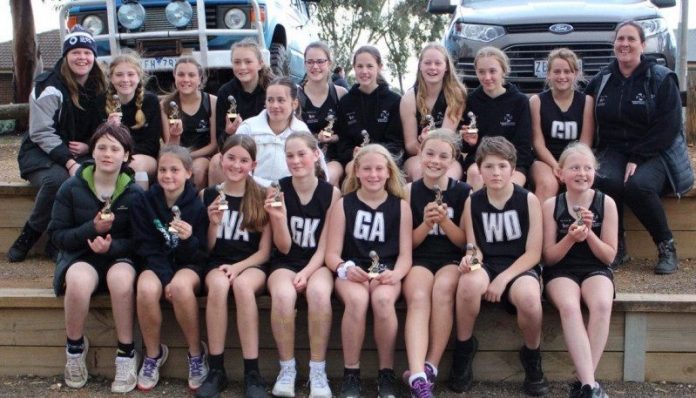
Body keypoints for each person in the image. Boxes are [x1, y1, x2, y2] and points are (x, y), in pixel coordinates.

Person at [585, 20, 689, 274]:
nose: (625, 44)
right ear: (614, 45)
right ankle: (616, 246)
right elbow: (581, 107)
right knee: (606, 180)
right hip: (614, 149)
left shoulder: (662, 78)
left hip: (656, 149)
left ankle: (666, 246)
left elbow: (669, 126)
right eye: (620, 39)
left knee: (638, 186)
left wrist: (639, 156)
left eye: (631, 39)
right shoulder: (602, 79)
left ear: (643, 45)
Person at [450, 136, 548, 396]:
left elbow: (534, 253)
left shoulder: (528, 200)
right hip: (488, 263)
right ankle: (464, 348)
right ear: (479, 169)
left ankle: (532, 355)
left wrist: (503, 279)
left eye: (502, 166)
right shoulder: (474, 201)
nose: (496, 172)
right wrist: (470, 260)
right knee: (468, 283)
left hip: (520, 266)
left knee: (529, 298)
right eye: (489, 166)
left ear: (513, 169)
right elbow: (474, 247)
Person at [47, 123, 142, 393]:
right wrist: (92, 230)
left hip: (119, 258)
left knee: (122, 280)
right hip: (80, 256)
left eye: (115, 148)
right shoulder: (71, 188)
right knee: (77, 281)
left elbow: (140, 241)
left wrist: (110, 248)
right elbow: (56, 235)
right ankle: (74, 349)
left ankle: (126, 353)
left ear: (125, 155)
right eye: (102, 147)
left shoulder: (135, 194)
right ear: (93, 152)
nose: (107, 154)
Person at [9, 25, 107, 263]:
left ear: (94, 56)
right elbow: (41, 133)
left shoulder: (99, 86)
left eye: (87, 52)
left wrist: (88, 146)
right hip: (40, 153)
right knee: (59, 180)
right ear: (66, 56)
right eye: (76, 52)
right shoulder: (49, 85)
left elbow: (102, 125)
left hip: (77, 151)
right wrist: (70, 162)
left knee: (97, 175)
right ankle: (29, 235)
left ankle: (61, 240)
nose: (82, 57)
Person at [325, 144, 413, 398]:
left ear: (388, 173)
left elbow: (406, 256)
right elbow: (332, 254)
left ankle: (386, 373)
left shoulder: (400, 207)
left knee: (384, 300)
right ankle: (351, 373)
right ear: (357, 173)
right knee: (357, 300)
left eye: (379, 169)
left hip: (387, 271)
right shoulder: (344, 205)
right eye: (367, 169)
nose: (373, 174)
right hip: (353, 270)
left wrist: (396, 274)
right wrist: (344, 268)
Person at [264, 132, 341, 398]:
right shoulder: (278, 189)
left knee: (319, 294)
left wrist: (307, 273)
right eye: (289, 155)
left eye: (301, 154)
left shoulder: (332, 193)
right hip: (285, 261)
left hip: (318, 262)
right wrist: (280, 217)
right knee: (284, 296)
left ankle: (317, 370)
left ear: (316, 155)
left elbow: (326, 246)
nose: (295, 160)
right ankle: (287, 369)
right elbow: (283, 247)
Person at [196, 135, 272, 398]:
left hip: (251, 264)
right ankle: (217, 370)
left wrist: (239, 267)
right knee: (217, 286)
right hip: (217, 263)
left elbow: (264, 251)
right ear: (221, 158)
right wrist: (214, 224)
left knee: (241, 287)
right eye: (231, 158)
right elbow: (205, 249)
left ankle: (252, 372)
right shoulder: (207, 194)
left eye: (243, 160)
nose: (236, 165)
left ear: (253, 164)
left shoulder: (262, 195)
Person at [541, 142, 617, 398]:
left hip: (595, 267)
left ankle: (586, 383)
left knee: (603, 305)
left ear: (595, 172)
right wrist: (571, 239)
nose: (582, 173)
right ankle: (590, 387)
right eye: (574, 168)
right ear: (560, 173)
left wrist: (590, 235)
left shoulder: (606, 203)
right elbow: (548, 258)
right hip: (562, 270)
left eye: (587, 168)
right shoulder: (551, 205)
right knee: (570, 307)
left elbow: (608, 255)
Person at [131, 145, 209, 391]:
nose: (167, 175)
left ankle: (196, 354)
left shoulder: (197, 206)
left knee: (181, 287)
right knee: (145, 288)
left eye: (175, 170)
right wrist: (164, 279)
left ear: (188, 173)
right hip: (155, 264)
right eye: (163, 169)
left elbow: (200, 254)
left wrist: (188, 240)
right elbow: (145, 246)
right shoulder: (144, 202)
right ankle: (153, 355)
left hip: (188, 264)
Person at [403, 130, 471, 398]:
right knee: (419, 295)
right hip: (419, 258)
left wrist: (443, 222)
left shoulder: (465, 192)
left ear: (453, 160)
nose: (435, 160)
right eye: (429, 153)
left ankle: (430, 366)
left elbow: (464, 241)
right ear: (420, 155)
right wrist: (427, 224)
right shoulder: (408, 191)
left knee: (443, 291)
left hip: (451, 259)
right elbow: (406, 243)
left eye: (444, 156)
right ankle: (417, 373)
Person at [460, 47, 533, 191]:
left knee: (510, 186)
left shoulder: (520, 101)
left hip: (512, 162)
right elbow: (466, 147)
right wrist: (469, 141)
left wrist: (506, 166)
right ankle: (473, 213)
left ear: (503, 71)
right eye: (481, 72)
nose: (487, 77)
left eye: (492, 71)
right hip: (480, 160)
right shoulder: (471, 101)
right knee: (475, 174)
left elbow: (523, 145)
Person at [236, 77, 328, 187]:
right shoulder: (248, 128)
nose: (274, 105)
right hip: (251, 189)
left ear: (294, 104)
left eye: (281, 100)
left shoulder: (301, 131)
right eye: (270, 100)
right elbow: (236, 164)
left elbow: (318, 166)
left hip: (289, 192)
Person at [529, 48, 594, 204]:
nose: (562, 76)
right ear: (548, 74)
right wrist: (556, 166)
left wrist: (570, 167)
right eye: (556, 71)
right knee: (548, 184)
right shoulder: (536, 101)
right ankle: (538, 227)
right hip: (545, 160)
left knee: (580, 180)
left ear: (575, 74)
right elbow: (537, 143)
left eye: (567, 71)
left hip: (576, 158)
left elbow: (585, 143)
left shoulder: (586, 102)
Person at [209, 38, 273, 185]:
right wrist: (229, 133)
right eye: (237, 62)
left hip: (268, 146)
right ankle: (222, 204)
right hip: (238, 149)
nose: (242, 67)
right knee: (215, 162)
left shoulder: (273, 89)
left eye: (248, 62)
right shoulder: (225, 92)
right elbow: (221, 142)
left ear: (260, 63)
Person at [401, 43, 467, 181]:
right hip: (418, 155)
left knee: (447, 177)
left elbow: (446, 138)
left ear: (446, 67)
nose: (432, 67)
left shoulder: (456, 95)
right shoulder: (409, 98)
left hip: (447, 155)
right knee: (421, 173)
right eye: (427, 63)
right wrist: (425, 146)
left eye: (438, 63)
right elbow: (410, 145)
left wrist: (431, 142)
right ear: (420, 66)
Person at [334, 45, 404, 173]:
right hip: (356, 162)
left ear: (379, 67)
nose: (364, 71)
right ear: (354, 68)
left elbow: (396, 143)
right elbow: (343, 143)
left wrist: (372, 152)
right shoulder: (346, 102)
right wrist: (353, 152)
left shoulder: (394, 101)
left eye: (369, 66)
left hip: (386, 162)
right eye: (360, 66)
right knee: (353, 169)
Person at [105, 51, 162, 190]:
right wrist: (107, 129)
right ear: (111, 78)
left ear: (139, 77)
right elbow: (94, 140)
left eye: (130, 74)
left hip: (144, 157)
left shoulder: (150, 101)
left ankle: (140, 208)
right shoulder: (101, 102)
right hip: (112, 154)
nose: (125, 79)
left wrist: (123, 154)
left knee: (134, 166)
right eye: (119, 75)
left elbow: (151, 144)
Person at [161, 57, 218, 189]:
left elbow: (213, 144)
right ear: (174, 76)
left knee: (196, 170)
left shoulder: (212, 101)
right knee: (174, 172)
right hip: (175, 155)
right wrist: (175, 137)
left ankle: (196, 205)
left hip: (202, 155)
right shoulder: (165, 105)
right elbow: (169, 146)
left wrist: (188, 156)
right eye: (181, 74)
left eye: (191, 75)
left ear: (200, 78)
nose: (186, 79)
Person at [299, 41, 348, 186]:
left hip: (334, 157)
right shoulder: (296, 95)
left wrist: (333, 138)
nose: (315, 67)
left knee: (329, 177)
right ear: (305, 64)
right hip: (303, 155)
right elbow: (293, 132)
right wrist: (315, 138)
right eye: (310, 62)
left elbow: (349, 132)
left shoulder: (340, 94)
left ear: (329, 64)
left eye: (320, 61)